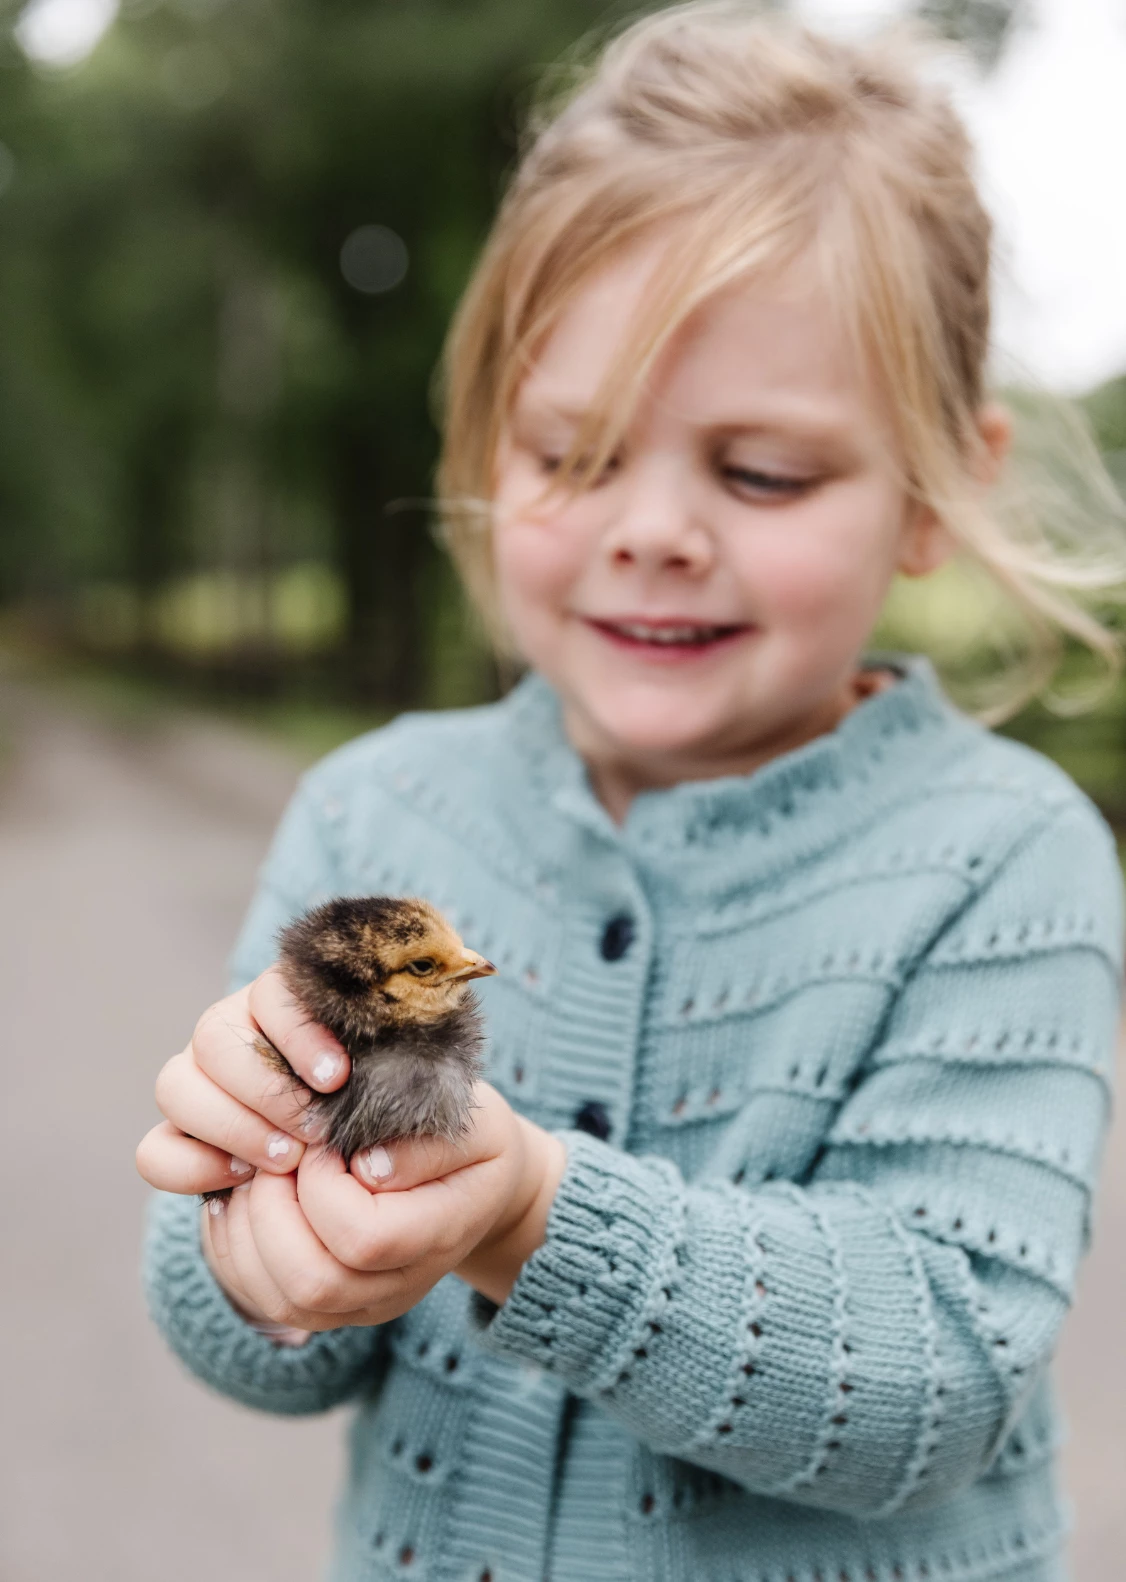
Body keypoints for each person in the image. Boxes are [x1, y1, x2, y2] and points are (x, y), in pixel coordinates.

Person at [136, 6, 1126, 1579]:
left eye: (761, 474)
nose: (652, 527)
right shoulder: (369, 812)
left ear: (937, 489)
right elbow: (254, 1347)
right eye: (575, 454)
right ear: (485, 449)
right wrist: (253, 1229)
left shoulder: (999, 858)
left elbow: (937, 1369)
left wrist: (529, 1210)